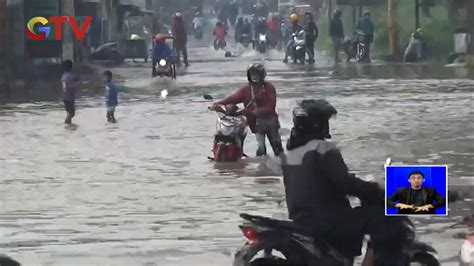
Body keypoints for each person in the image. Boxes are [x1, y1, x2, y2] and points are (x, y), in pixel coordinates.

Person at [282, 99, 415, 264]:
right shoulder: (323, 149)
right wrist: (375, 190)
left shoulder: (289, 154)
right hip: (327, 220)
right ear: (318, 124)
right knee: (386, 219)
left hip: (301, 219)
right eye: (325, 121)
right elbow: (346, 184)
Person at [211, 64, 283, 157]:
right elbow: (232, 98)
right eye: (252, 74)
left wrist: (253, 112)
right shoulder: (246, 89)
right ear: (249, 75)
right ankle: (262, 168)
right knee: (261, 147)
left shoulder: (269, 88)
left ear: (262, 75)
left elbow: (271, 106)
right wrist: (218, 104)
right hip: (255, 123)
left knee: (277, 146)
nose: (254, 76)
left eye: (257, 74)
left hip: (270, 122)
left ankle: (283, 166)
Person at [61, 60, 80, 124]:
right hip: (68, 98)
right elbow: (66, 86)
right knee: (71, 113)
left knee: (71, 113)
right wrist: (75, 85)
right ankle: (66, 124)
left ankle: (69, 125)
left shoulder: (65, 75)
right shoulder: (67, 76)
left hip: (68, 97)